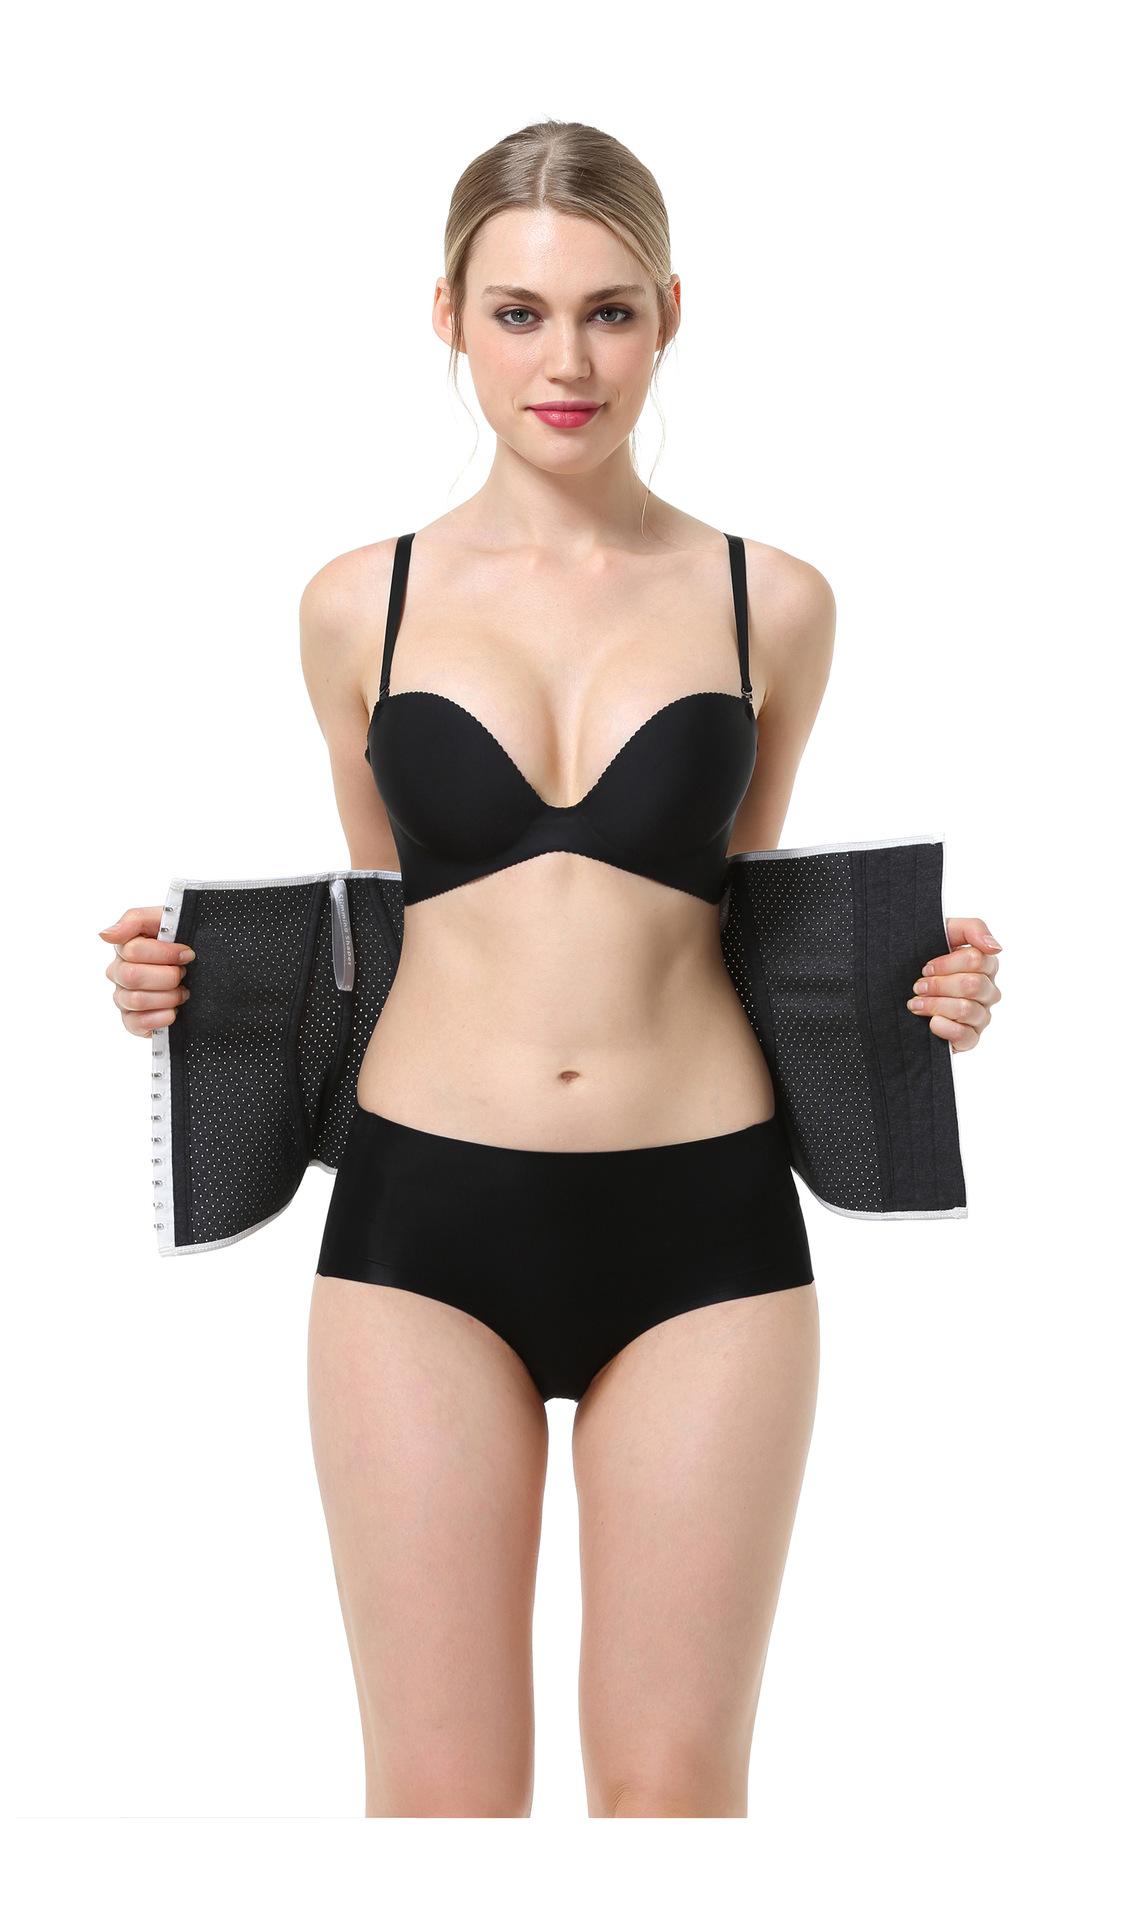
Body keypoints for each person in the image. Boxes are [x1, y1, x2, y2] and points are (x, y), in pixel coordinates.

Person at [98, 120, 1002, 1818]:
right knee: (441, 1801)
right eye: (518, 313)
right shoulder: (357, 602)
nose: (566, 362)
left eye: (608, 312)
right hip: (421, 1227)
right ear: (447, 314)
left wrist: (922, 992)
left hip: (708, 1225)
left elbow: (742, 909)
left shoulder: (771, 599)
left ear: (670, 315)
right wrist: (190, 993)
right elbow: (379, 922)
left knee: (674, 1798)